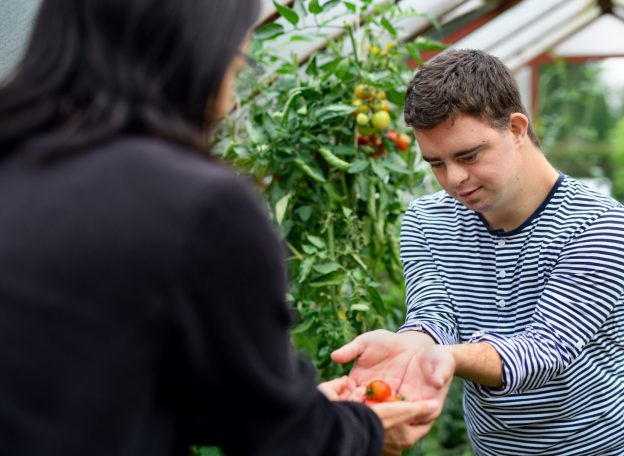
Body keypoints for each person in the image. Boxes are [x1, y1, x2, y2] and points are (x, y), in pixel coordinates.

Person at [0, 1, 443, 455]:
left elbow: (95, 386)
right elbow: (282, 442)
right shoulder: (197, 206)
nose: (229, 99)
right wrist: (363, 429)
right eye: (235, 65)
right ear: (195, 58)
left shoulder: (16, 162)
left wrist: (285, 404)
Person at [332, 49, 624, 455]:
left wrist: (443, 357)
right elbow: (435, 313)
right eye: (436, 163)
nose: (454, 179)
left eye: (469, 156)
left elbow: (546, 348)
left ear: (517, 128)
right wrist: (413, 346)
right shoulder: (426, 221)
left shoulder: (598, 224)